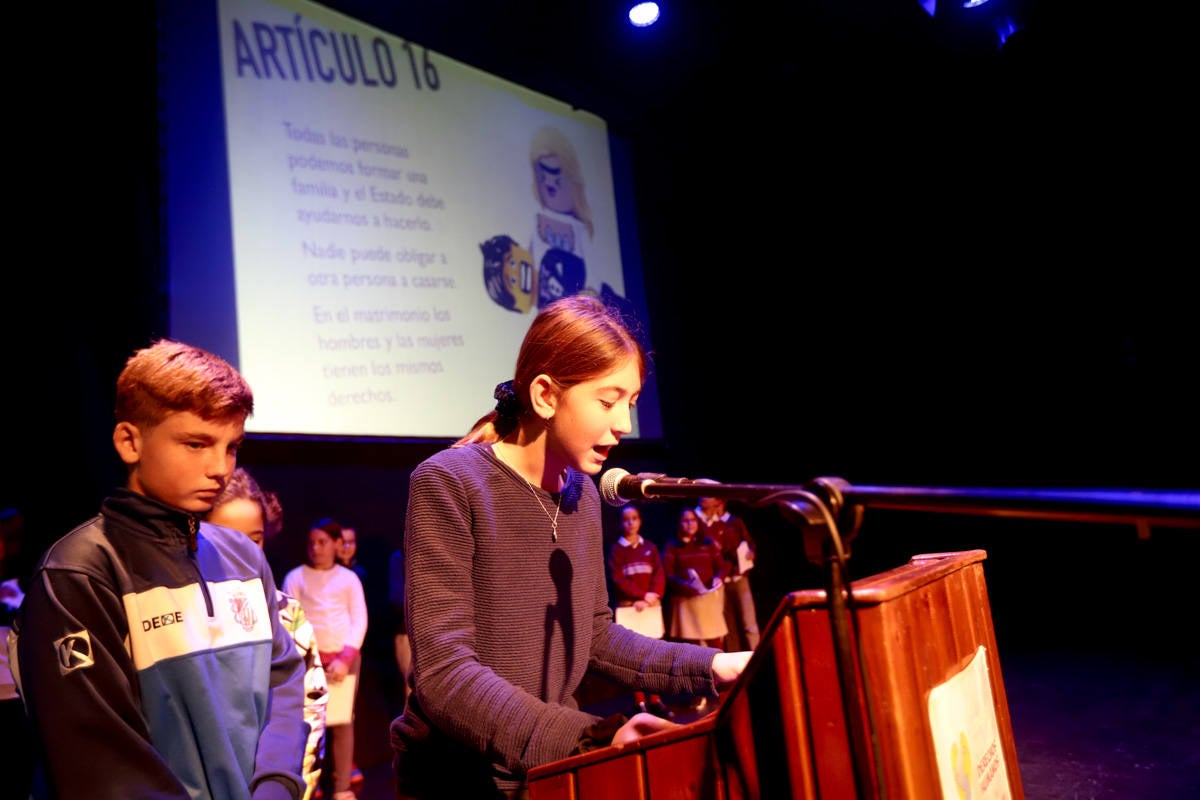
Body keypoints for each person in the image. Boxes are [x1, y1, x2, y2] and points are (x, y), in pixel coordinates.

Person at [389, 294, 751, 799]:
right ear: (544, 396)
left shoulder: (581, 495)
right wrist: (587, 738)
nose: (624, 424)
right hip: (455, 781)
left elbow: (595, 635)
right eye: (608, 401)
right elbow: (444, 673)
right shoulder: (449, 482)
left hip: (544, 773)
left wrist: (712, 666)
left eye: (631, 403)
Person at [10, 339, 309, 799]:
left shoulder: (244, 555)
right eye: (196, 444)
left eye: (232, 447)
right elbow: (98, 757)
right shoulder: (79, 573)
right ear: (130, 441)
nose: (220, 468)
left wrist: (276, 787)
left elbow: (284, 679)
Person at [207, 467, 329, 800]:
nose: (242, 552)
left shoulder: (287, 615)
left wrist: (288, 788)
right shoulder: (181, 613)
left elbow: (310, 709)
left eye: (254, 539)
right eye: (224, 537)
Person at [284, 518, 368, 800]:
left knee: (342, 724)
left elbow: (359, 620)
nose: (316, 548)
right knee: (310, 724)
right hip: (310, 663)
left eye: (322, 542)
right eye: (312, 543)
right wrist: (306, 657)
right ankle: (311, 784)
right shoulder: (295, 577)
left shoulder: (349, 579)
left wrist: (345, 657)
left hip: (343, 662)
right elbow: (291, 620)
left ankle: (342, 788)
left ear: (335, 544)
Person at [606, 501, 671, 717]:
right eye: (626, 519)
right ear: (621, 523)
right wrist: (640, 596)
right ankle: (640, 703)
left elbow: (659, 576)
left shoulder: (650, 548)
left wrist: (652, 596)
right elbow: (618, 580)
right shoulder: (616, 550)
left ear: (640, 521)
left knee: (654, 656)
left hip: (650, 608)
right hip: (629, 610)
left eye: (634, 518)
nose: (630, 523)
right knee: (633, 659)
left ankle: (656, 699)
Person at [696, 495, 761, 651]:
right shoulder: (705, 524)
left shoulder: (734, 522)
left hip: (739, 577)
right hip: (721, 581)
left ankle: (756, 658)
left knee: (749, 623)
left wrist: (751, 552)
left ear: (721, 502)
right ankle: (733, 660)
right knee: (727, 626)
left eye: (713, 500)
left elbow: (749, 543)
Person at [663, 507, 729, 651]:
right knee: (690, 648)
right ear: (679, 523)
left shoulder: (707, 543)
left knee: (715, 642)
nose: (690, 524)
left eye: (693, 520)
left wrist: (719, 577)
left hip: (708, 599)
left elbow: (723, 566)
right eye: (685, 521)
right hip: (685, 601)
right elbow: (668, 575)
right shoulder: (672, 546)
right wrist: (686, 586)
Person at [388, 546, 412, 708]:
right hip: (407, 631)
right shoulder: (399, 557)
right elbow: (397, 597)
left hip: (436, 631)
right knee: (411, 687)